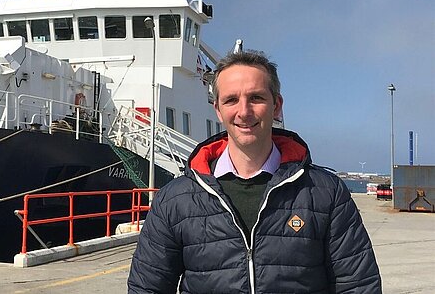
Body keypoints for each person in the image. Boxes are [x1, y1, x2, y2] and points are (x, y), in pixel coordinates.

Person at [127, 50, 382, 293]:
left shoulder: (326, 193)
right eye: (231, 100)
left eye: (256, 98)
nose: (244, 111)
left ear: (276, 106)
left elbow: (358, 285)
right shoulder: (175, 200)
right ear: (218, 109)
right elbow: (147, 288)